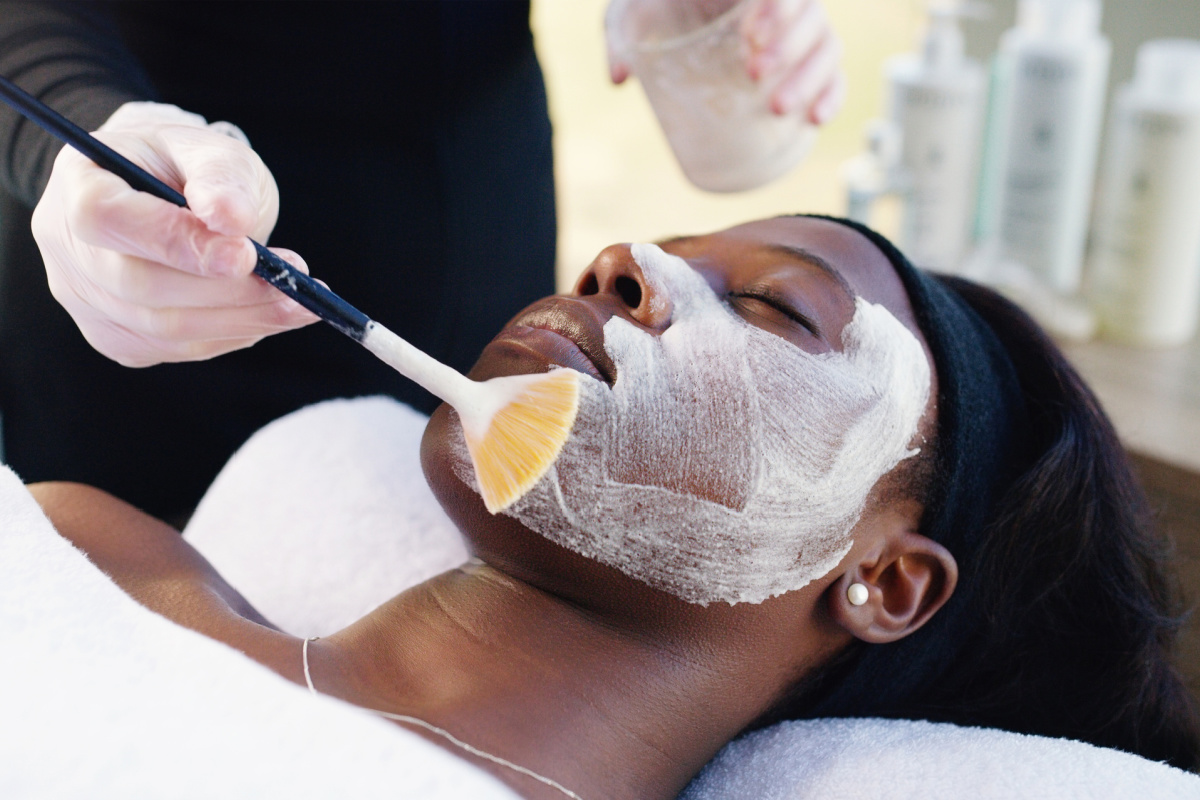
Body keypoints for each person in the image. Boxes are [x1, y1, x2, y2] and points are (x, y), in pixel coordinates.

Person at [27, 216, 1200, 799]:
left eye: (779, 309)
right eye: (650, 242)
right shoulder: (80, 546)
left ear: (884, 581)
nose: (620, 260)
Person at [0, 0, 844, 522]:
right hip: (163, 260)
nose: (622, 269)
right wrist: (79, 134)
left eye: (776, 310)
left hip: (481, 192)